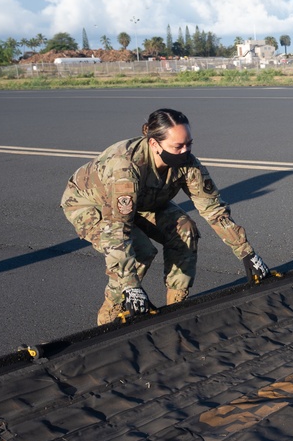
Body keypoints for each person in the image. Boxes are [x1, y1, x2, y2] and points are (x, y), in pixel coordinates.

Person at [61, 108, 271, 325]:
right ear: (154, 144)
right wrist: (131, 286)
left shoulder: (187, 163)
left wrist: (247, 254)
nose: (185, 151)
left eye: (189, 144)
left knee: (185, 230)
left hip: (142, 200)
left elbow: (213, 209)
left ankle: (176, 305)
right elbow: (118, 232)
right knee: (141, 249)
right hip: (91, 204)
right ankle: (111, 314)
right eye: (178, 146)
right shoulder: (124, 167)